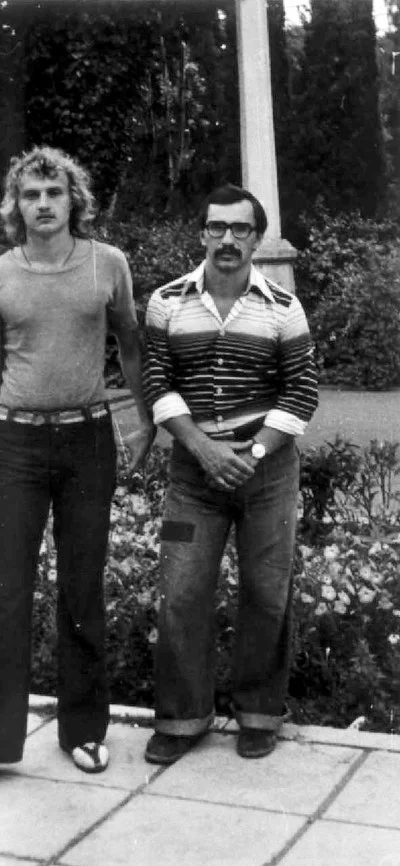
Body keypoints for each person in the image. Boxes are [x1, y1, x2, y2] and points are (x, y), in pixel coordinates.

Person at [0, 145, 155, 804]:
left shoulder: (108, 264)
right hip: (19, 447)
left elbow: (132, 347)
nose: (44, 204)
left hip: (89, 441)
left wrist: (144, 422)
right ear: (16, 205)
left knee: (82, 591)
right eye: (31, 194)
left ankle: (83, 731)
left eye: (54, 192)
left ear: (73, 200)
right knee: (2, 597)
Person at [142, 183, 318, 763]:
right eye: (216, 227)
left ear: (256, 239)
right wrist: (203, 449)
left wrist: (253, 453)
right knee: (180, 591)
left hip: (269, 476)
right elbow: (156, 384)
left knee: (267, 592)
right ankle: (181, 719)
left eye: (240, 229)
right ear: (202, 233)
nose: (227, 239)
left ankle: (259, 715)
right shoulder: (167, 302)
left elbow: (301, 393)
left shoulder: (283, 308)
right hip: (191, 479)